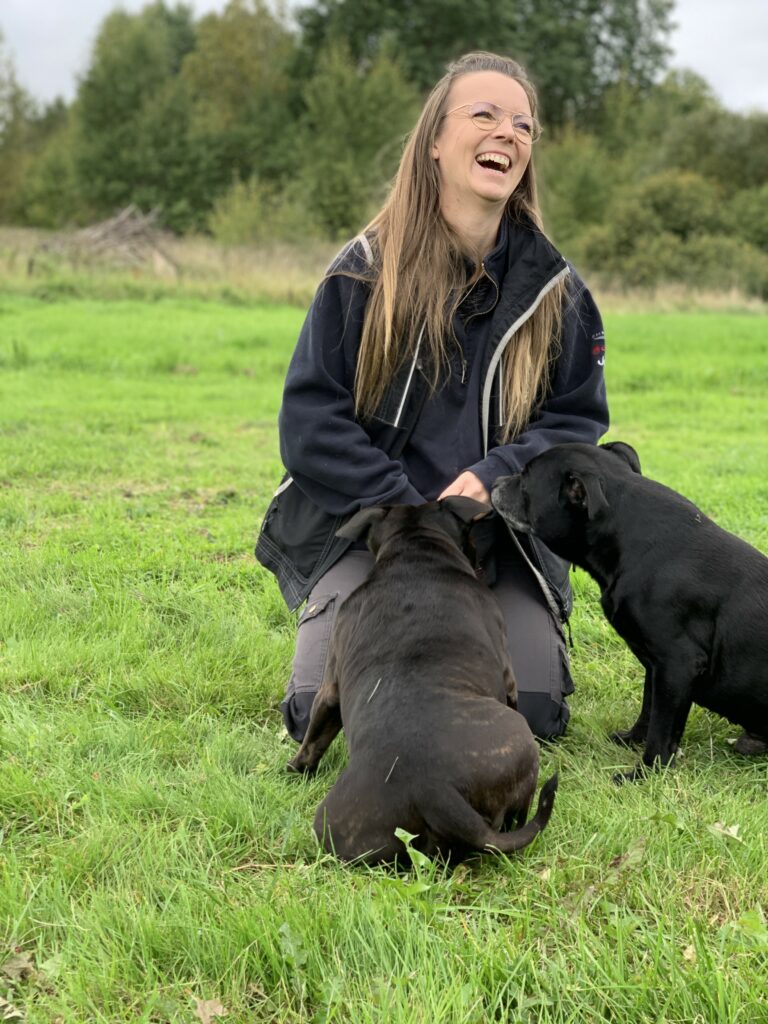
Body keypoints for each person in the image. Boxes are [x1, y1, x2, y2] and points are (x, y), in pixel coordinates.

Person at [256, 51, 609, 744]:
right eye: (484, 115)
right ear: (436, 143)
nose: (507, 133)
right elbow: (309, 422)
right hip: (379, 531)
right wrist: (405, 506)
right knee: (320, 715)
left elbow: (576, 422)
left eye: (523, 126)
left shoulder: (558, 293)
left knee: (530, 711)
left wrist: (495, 478)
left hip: (496, 536)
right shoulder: (360, 274)